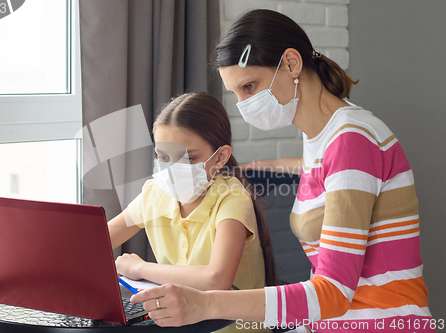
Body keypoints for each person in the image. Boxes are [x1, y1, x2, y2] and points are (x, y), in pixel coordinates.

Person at [130, 9, 436, 333]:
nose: (244, 105)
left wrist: (204, 304)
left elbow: (332, 293)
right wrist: (269, 165)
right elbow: (327, 171)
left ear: (291, 64)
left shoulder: (352, 140)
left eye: (249, 86)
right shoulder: (324, 137)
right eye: (236, 93)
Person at [107, 92, 277, 332]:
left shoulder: (232, 198)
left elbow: (216, 279)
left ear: (220, 157)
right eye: (163, 157)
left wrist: (139, 269)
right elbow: (97, 244)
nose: (173, 169)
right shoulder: (155, 193)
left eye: (188, 158)